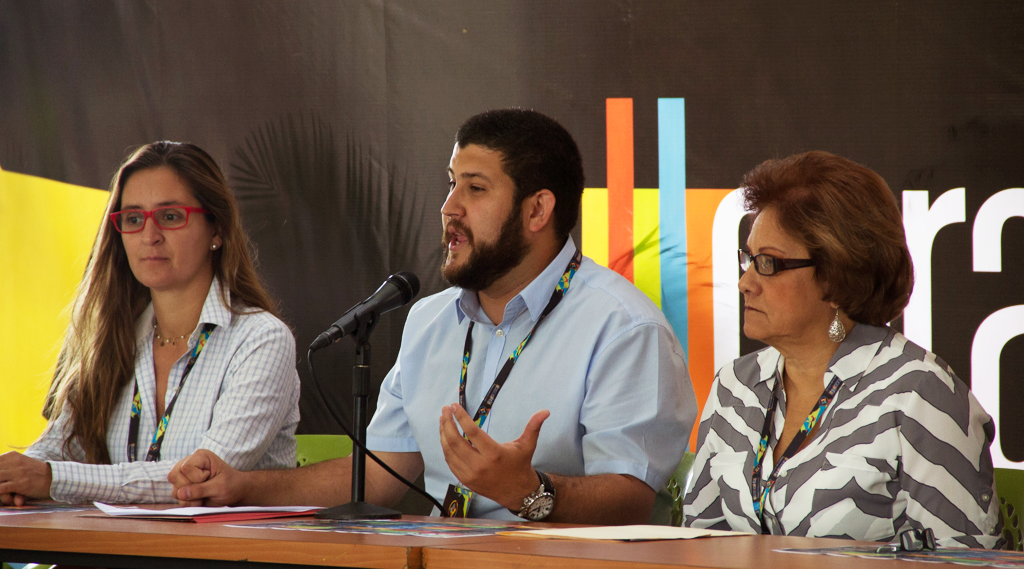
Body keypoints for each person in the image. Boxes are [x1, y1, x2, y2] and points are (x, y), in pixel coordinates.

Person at [169, 109, 696, 524]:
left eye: (475, 188)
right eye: (450, 184)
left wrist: (528, 492)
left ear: (538, 211)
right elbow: (378, 477)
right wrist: (241, 486)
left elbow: (630, 502)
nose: (448, 207)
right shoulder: (429, 321)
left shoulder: (624, 328)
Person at [683, 151, 1001, 548]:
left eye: (767, 263)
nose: (745, 282)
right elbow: (696, 545)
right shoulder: (734, 387)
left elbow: (968, 563)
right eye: (747, 259)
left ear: (836, 276)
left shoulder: (920, 395)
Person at [0, 142, 300, 505]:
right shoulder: (110, 337)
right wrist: (15, 478)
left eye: (170, 216)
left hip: (226, 557)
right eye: (133, 218)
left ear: (217, 230)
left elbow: (198, 483)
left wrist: (51, 478)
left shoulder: (262, 340)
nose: (149, 235)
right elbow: (57, 449)